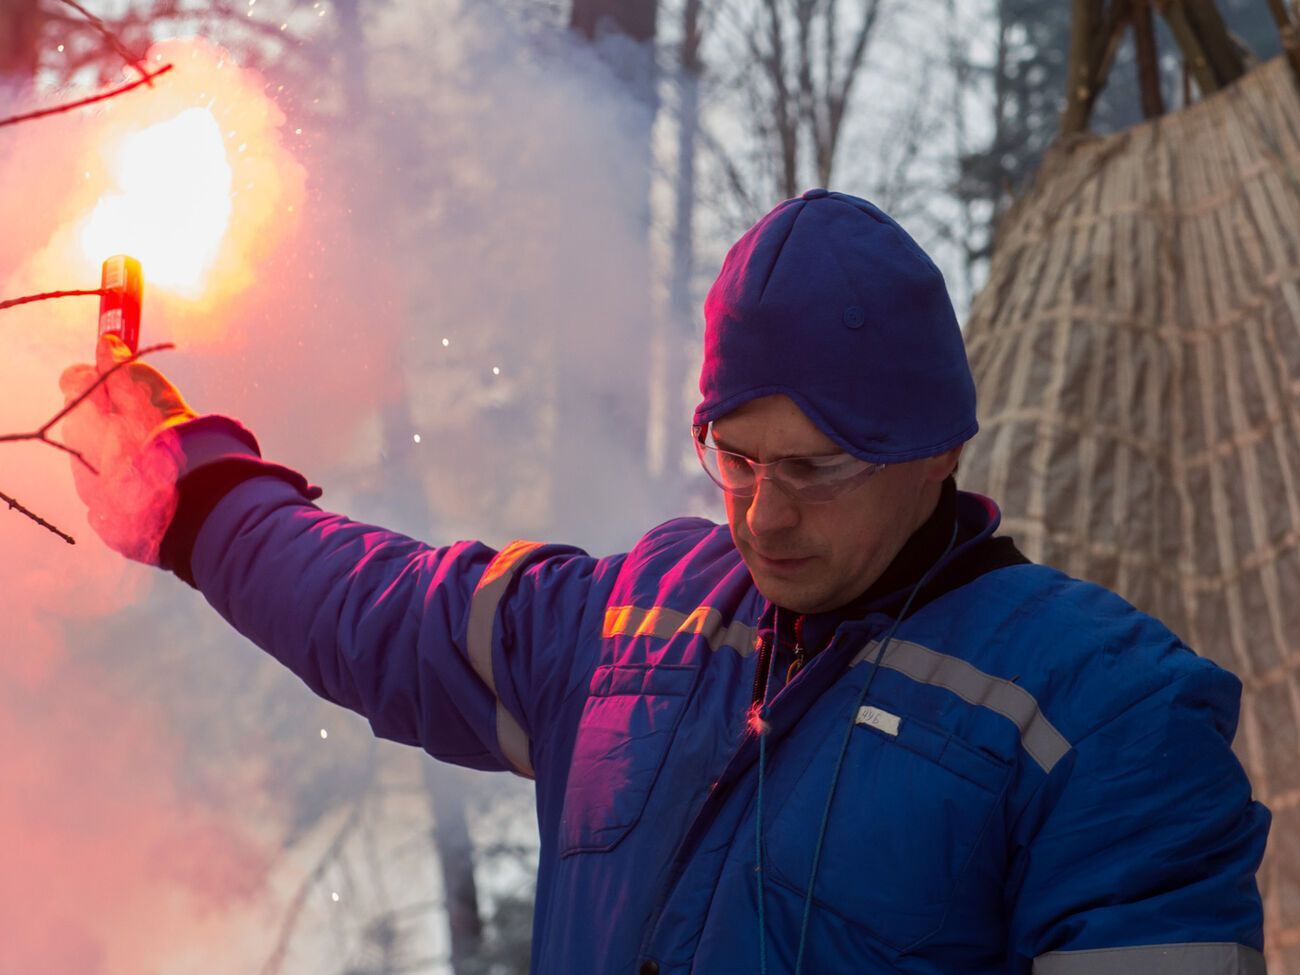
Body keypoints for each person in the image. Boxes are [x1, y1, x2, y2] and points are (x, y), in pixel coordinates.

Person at [61, 189, 1270, 975]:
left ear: (936, 447)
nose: (763, 513)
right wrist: (189, 493)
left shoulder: (1102, 713)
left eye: (814, 466)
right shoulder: (641, 621)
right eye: (733, 459)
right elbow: (378, 610)